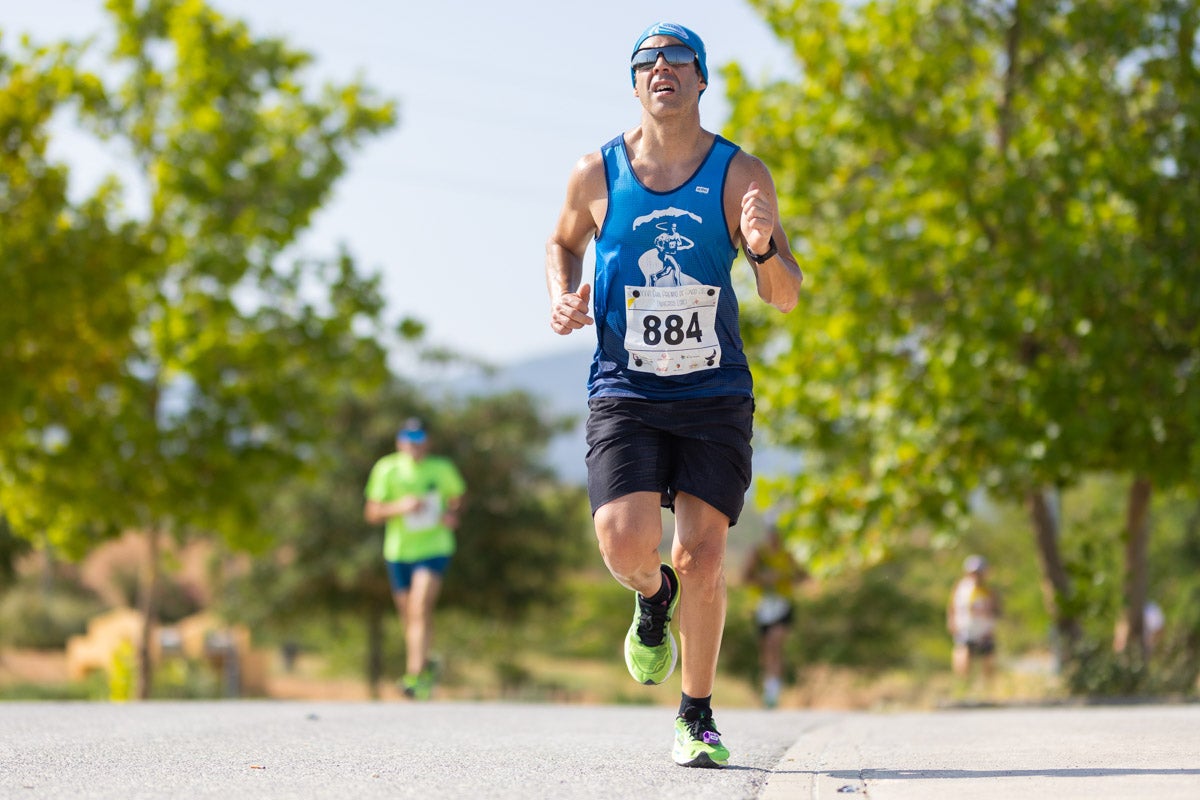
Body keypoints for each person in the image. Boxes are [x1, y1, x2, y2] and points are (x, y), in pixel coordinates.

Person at [545, 21, 803, 768]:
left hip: (713, 393)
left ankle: (697, 714)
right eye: (646, 61)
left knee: (703, 553)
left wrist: (759, 248)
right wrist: (563, 294)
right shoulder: (595, 172)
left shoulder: (740, 174)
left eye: (678, 58)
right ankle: (650, 598)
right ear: (635, 84)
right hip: (625, 389)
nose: (662, 68)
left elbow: (784, 295)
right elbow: (562, 241)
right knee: (624, 543)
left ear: (701, 80)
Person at [363, 418, 465, 700]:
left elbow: (457, 499)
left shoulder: (441, 468)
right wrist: (401, 506)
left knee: (420, 607)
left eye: (419, 438)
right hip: (398, 552)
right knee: (409, 616)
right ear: (399, 441)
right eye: (408, 438)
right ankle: (427, 664)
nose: (413, 444)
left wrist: (451, 514)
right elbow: (372, 512)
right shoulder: (387, 468)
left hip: (434, 548)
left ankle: (414, 677)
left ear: (427, 441)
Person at [742, 525, 806, 709]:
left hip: (783, 604)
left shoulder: (788, 555)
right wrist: (764, 578)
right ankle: (768, 688)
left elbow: (802, 576)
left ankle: (774, 692)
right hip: (762, 606)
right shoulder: (758, 553)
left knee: (775, 644)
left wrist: (784, 577)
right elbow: (745, 577)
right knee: (766, 651)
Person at [947, 555, 1000, 685]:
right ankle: (963, 684)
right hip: (966, 627)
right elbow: (952, 607)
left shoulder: (988, 590)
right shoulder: (960, 588)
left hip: (984, 629)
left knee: (988, 656)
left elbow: (996, 609)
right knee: (963, 653)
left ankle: (987, 685)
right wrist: (951, 621)